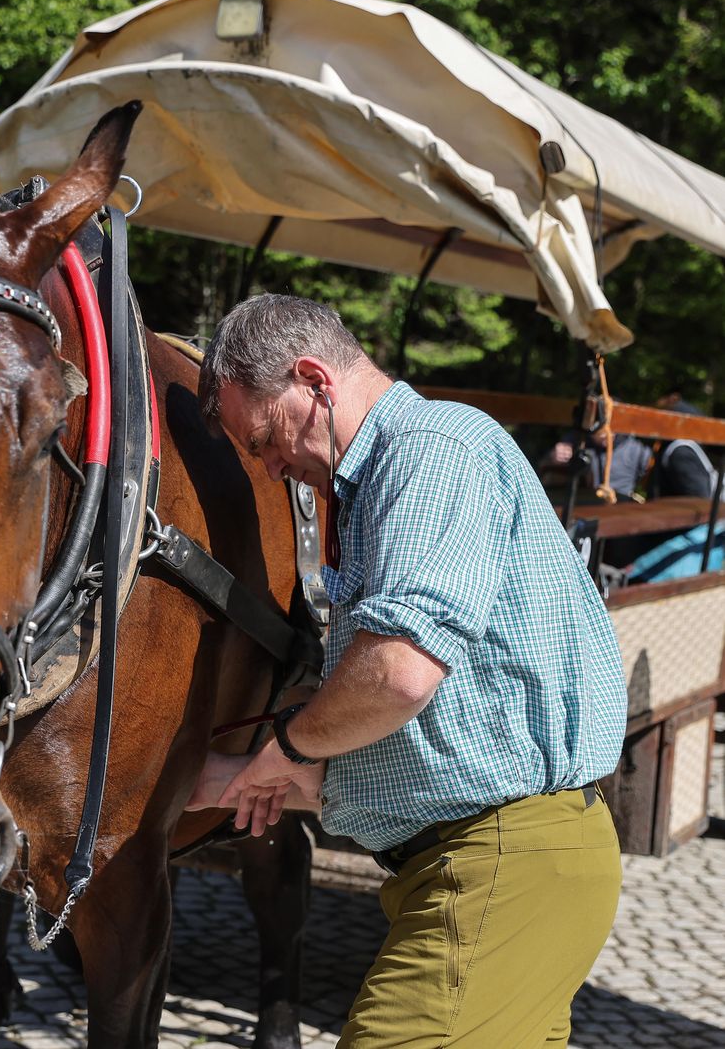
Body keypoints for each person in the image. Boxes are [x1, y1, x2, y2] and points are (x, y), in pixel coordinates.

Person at [193, 294, 627, 1048]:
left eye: (263, 437)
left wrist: (291, 744)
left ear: (312, 381)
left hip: (502, 864)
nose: (269, 468)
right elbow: (436, 739)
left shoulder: (428, 450)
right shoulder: (381, 481)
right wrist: (226, 777)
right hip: (494, 864)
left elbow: (396, 674)